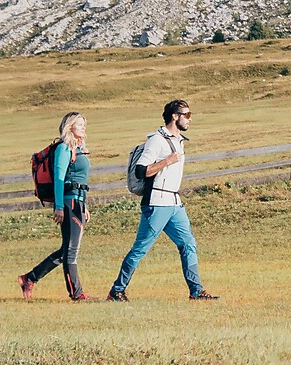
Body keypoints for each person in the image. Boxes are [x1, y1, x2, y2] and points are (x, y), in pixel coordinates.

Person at [107, 98, 219, 301]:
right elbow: (141, 170)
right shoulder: (157, 141)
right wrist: (167, 161)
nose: (189, 119)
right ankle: (116, 290)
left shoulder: (178, 141)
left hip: (174, 204)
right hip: (157, 203)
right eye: (187, 115)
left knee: (188, 244)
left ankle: (196, 291)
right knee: (141, 248)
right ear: (175, 116)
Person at [20, 111, 93, 301]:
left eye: (84, 124)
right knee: (70, 252)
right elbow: (60, 180)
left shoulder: (80, 148)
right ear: (69, 127)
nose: (83, 127)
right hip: (68, 203)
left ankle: (29, 278)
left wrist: (84, 205)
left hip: (78, 202)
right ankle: (77, 294)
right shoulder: (64, 148)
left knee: (67, 250)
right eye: (79, 124)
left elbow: (80, 179)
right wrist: (59, 207)